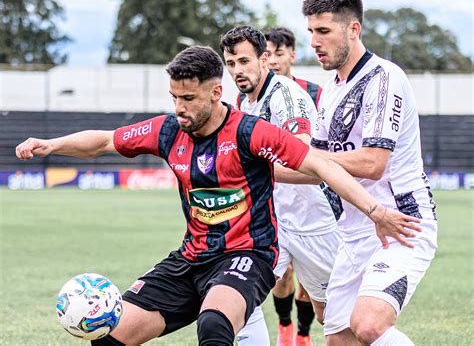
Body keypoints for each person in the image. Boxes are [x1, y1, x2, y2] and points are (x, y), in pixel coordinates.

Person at [16, 46, 421, 346]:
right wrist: (50, 145)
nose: (179, 108)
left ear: (215, 93)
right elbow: (103, 141)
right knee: (109, 337)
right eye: (174, 97)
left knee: (214, 325)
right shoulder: (167, 131)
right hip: (190, 259)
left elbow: (320, 164)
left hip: (248, 256)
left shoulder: (251, 132)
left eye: (188, 99)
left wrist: (375, 210)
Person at [302, 0, 438, 346]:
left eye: (324, 31)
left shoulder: (383, 78)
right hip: (354, 232)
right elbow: (310, 166)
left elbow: (373, 163)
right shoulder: (330, 89)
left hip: (400, 223)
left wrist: (309, 157)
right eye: (311, 32)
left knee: (369, 325)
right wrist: (257, 162)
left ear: (353, 29)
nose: (314, 42)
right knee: (340, 340)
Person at [221, 25, 342, 346]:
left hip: (315, 222)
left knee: (331, 317)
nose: (237, 71)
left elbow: (308, 163)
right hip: (270, 224)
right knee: (237, 297)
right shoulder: (244, 102)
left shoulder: (286, 95)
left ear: (264, 60)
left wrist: (247, 168)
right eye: (230, 64)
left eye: (244, 62)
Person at [265, 26, 330, 345]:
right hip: (275, 201)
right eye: (268, 54)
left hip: (311, 202)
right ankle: (285, 326)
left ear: (292, 55)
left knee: (310, 280)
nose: (274, 60)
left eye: (280, 53)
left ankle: (303, 335)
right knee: (282, 273)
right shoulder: (248, 96)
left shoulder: (314, 92)